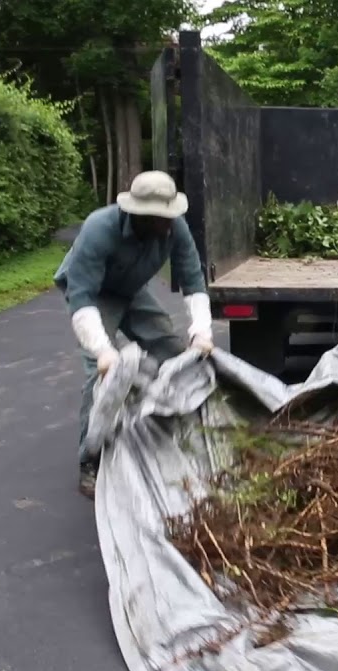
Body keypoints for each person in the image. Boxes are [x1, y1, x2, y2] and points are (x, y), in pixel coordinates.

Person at [53, 170, 214, 499]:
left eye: (170, 216)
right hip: (96, 294)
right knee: (100, 375)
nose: (167, 225)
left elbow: (193, 280)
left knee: (172, 349)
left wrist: (201, 331)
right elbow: (81, 298)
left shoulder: (174, 228)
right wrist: (102, 351)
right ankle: (90, 460)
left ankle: (177, 430)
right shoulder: (99, 229)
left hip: (131, 289)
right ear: (138, 214)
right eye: (159, 218)